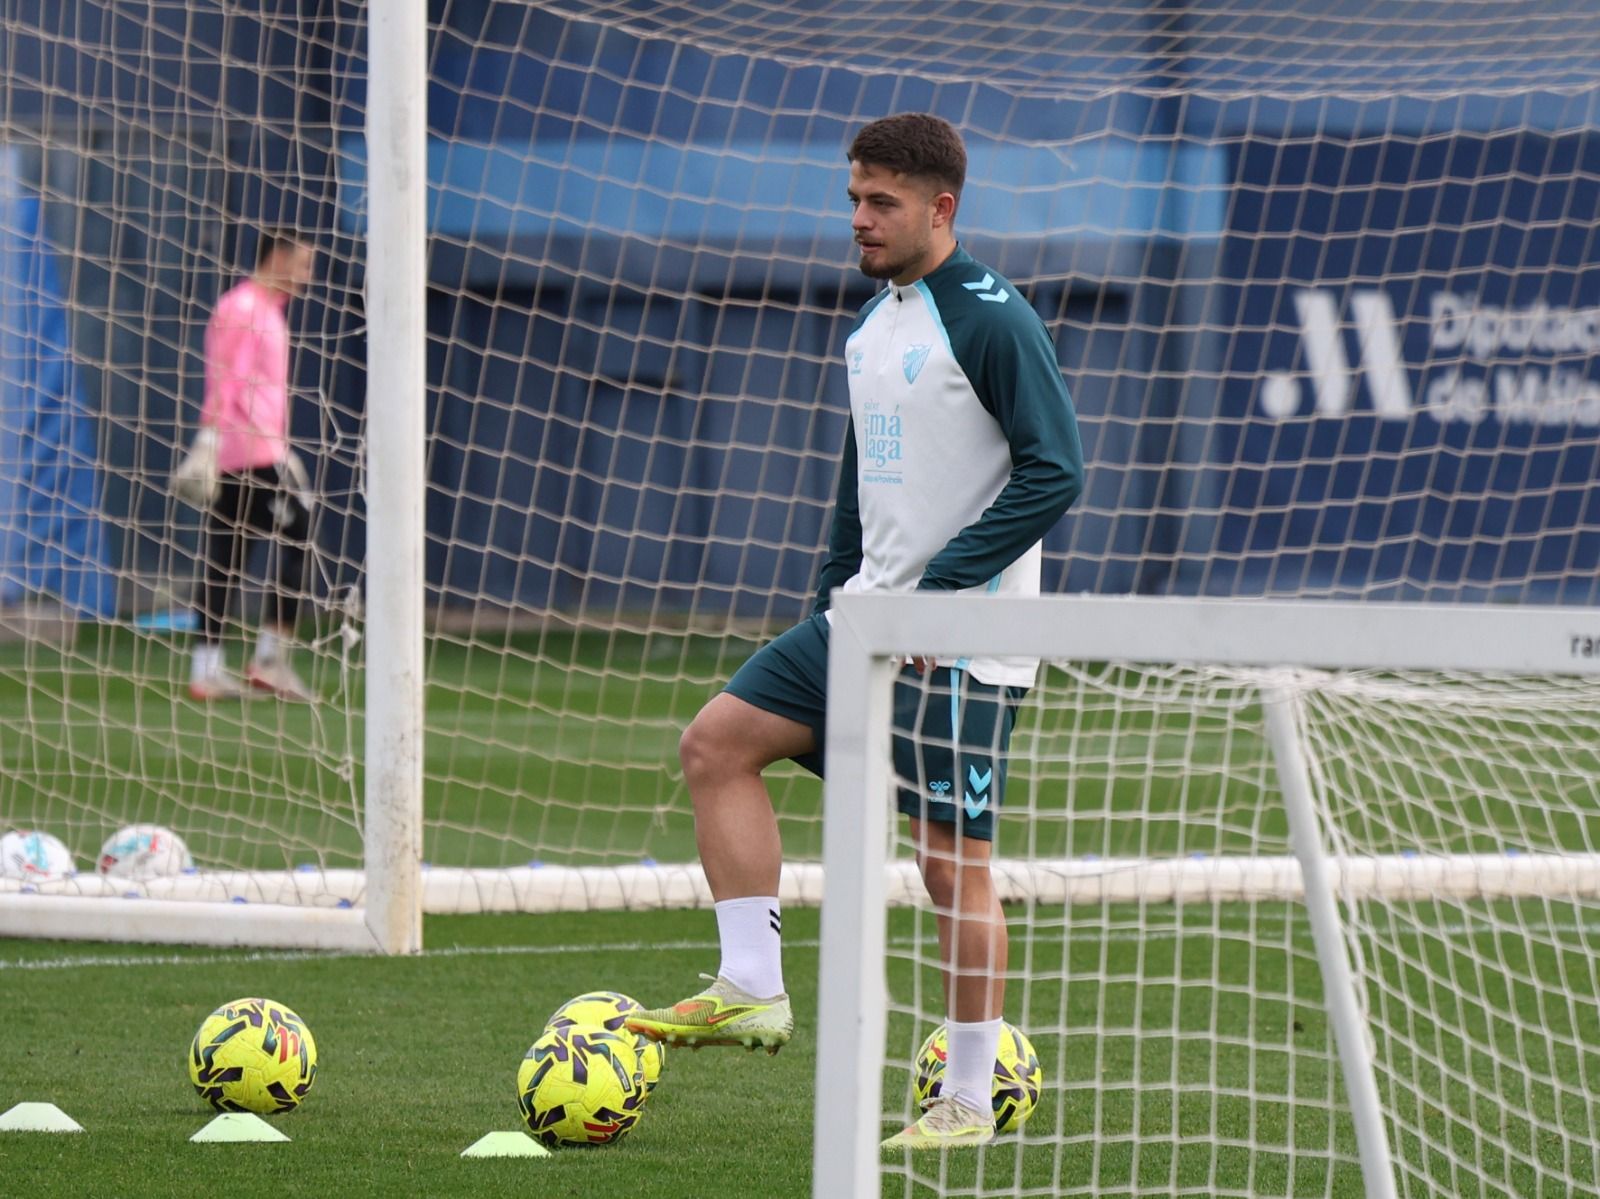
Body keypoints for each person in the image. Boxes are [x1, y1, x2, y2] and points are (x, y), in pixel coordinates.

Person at [627, 113, 1084, 1149]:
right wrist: (834, 586)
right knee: (716, 742)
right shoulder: (873, 325)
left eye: (881, 202)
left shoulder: (992, 319)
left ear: (941, 207)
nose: (860, 220)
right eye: (853, 200)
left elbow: (1056, 467)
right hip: (864, 620)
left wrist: (945, 588)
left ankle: (967, 1092)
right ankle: (750, 983)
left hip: (959, 645)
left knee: (945, 864)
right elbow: (860, 478)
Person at [187, 227, 317, 702]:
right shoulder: (244, 309)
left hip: (251, 450)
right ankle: (269, 660)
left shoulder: (265, 311)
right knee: (299, 534)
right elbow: (227, 380)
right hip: (252, 454)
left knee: (227, 558)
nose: (307, 276)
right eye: (303, 264)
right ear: (278, 258)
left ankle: (207, 669)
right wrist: (209, 439)